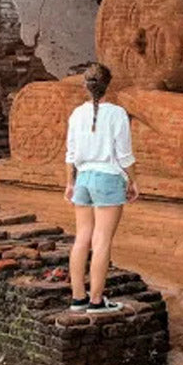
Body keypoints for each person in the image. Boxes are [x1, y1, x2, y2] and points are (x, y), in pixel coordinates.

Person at [64, 63, 139, 313]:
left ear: (85, 86)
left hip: (83, 179)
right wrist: (133, 181)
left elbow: (71, 154)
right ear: (108, 85)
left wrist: (70, 183)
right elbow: (124, 155)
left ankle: (78, 298)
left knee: (82, 237)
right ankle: (96, 301)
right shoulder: (117, 114)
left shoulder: (76, 114)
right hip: (108, 178)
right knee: (102, 240)